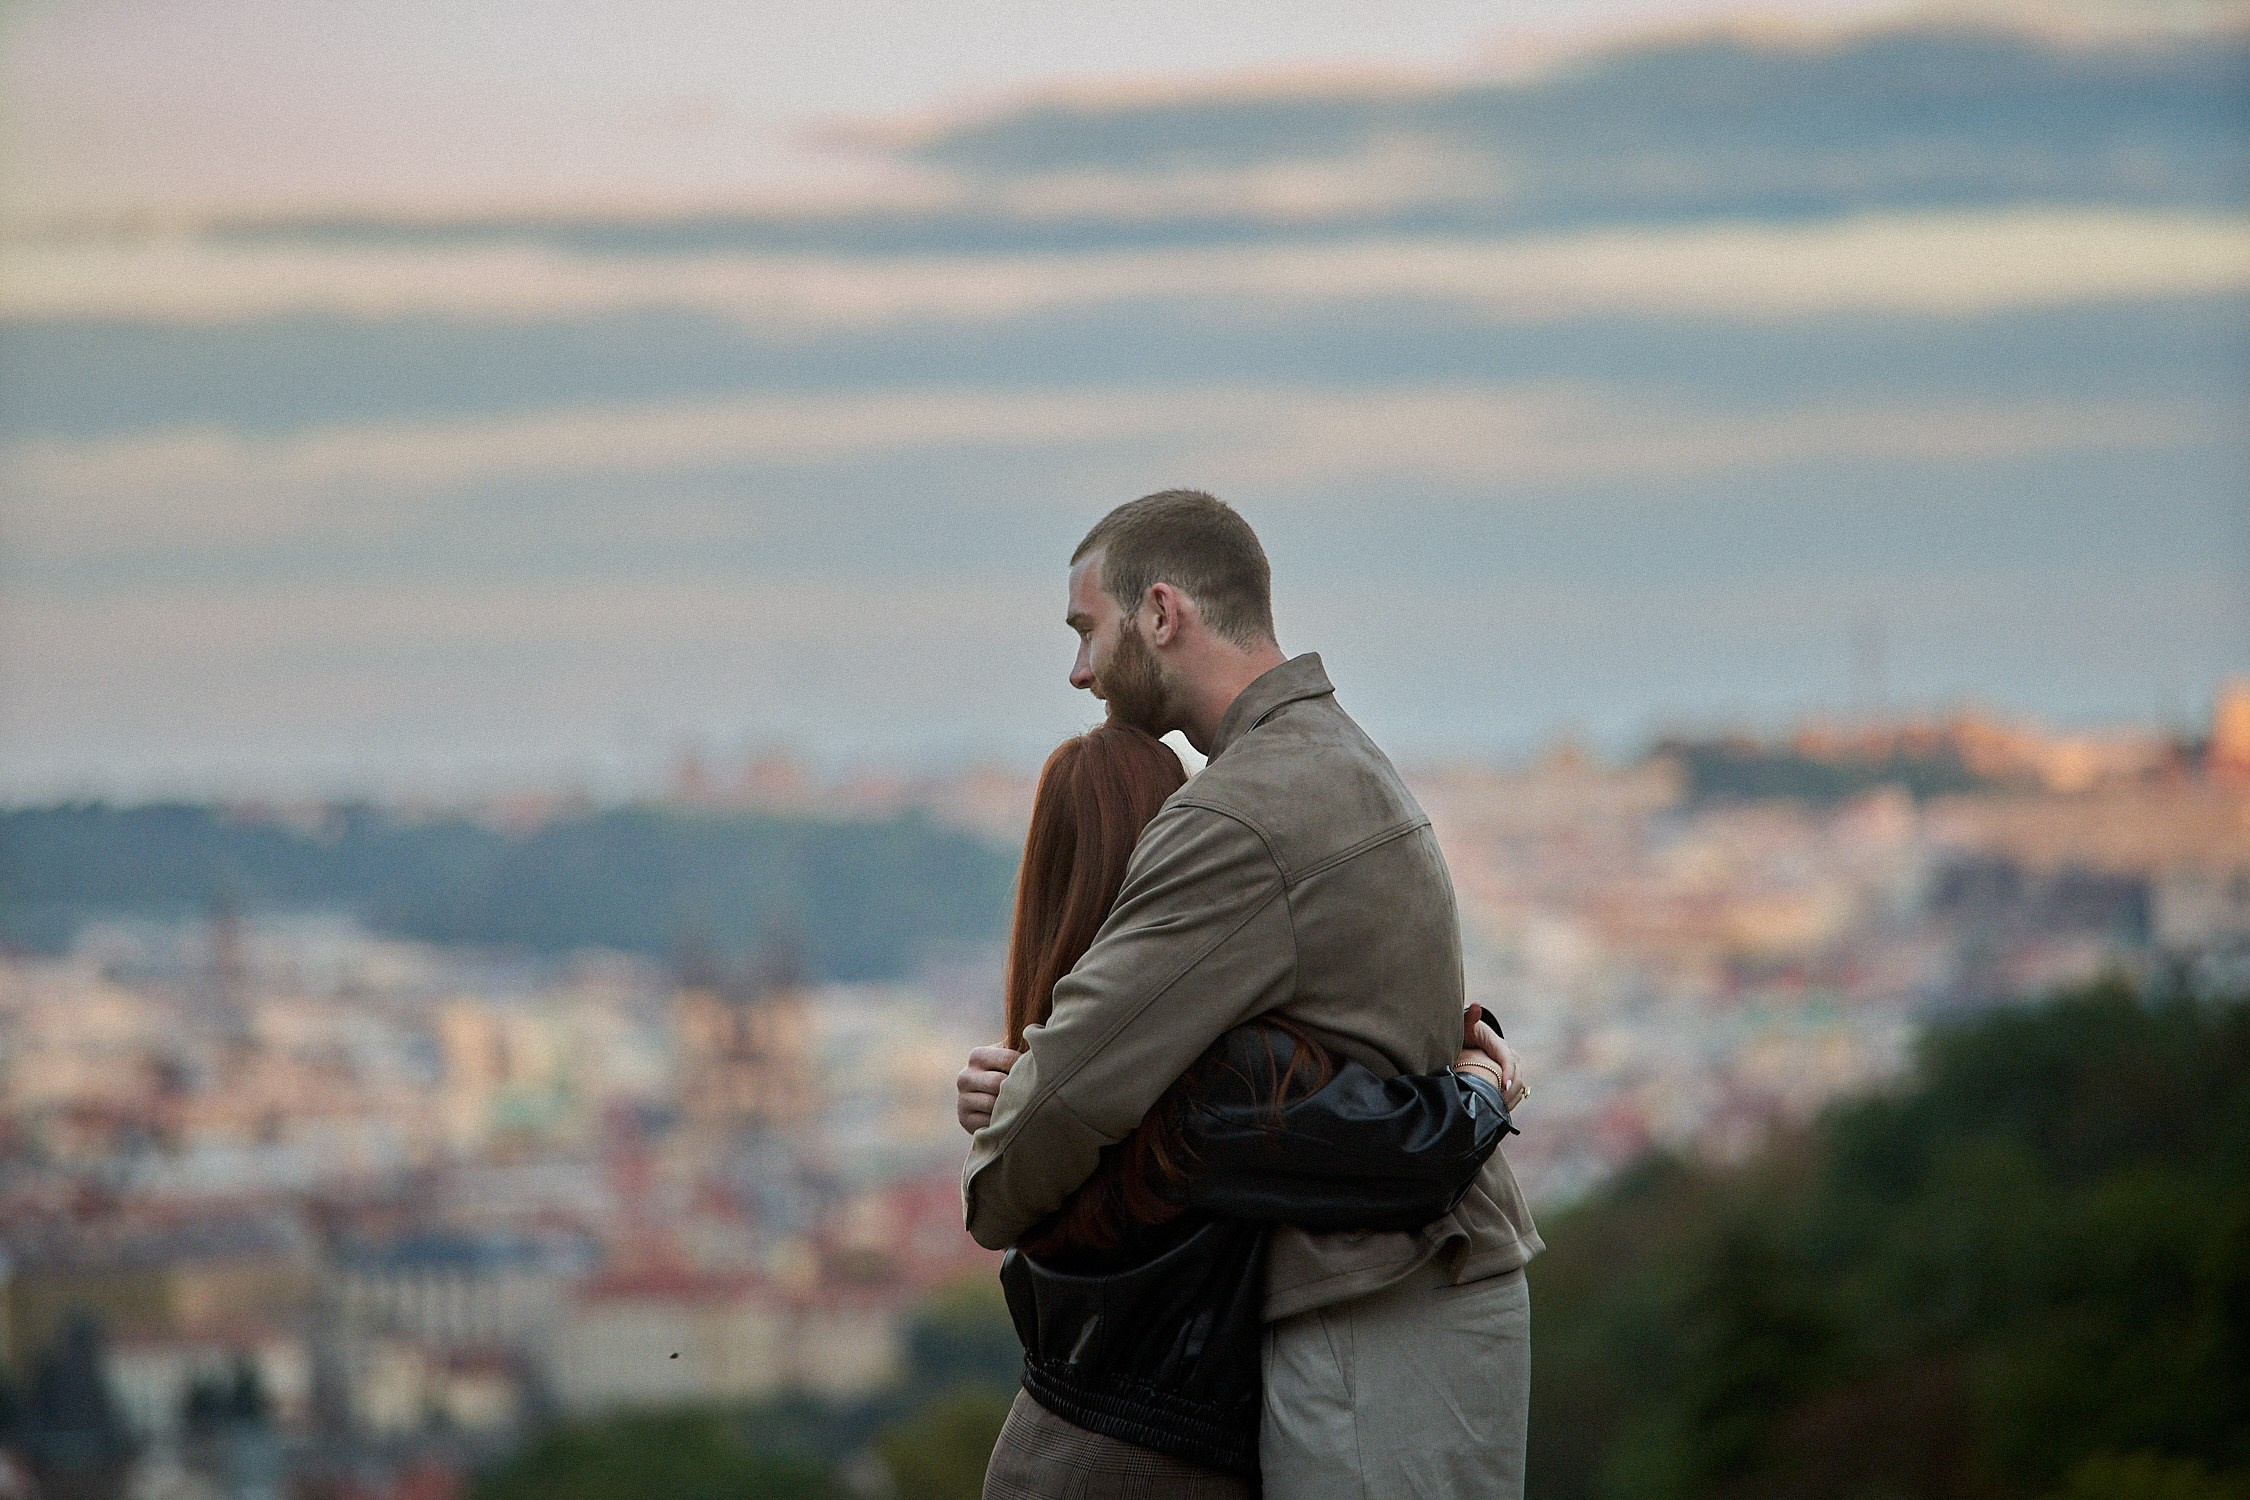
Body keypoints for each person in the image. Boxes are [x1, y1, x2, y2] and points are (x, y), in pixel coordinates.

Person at [959, 490, 1544, 1496]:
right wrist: (1473, 1101)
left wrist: (995, 1186)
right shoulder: (1337, 756)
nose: (1079, 672)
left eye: (1086, 631)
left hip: (1371, 1312)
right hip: (1422, 1293)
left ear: (1161, 612)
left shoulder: (1240, 814)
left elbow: (1074, 1086)